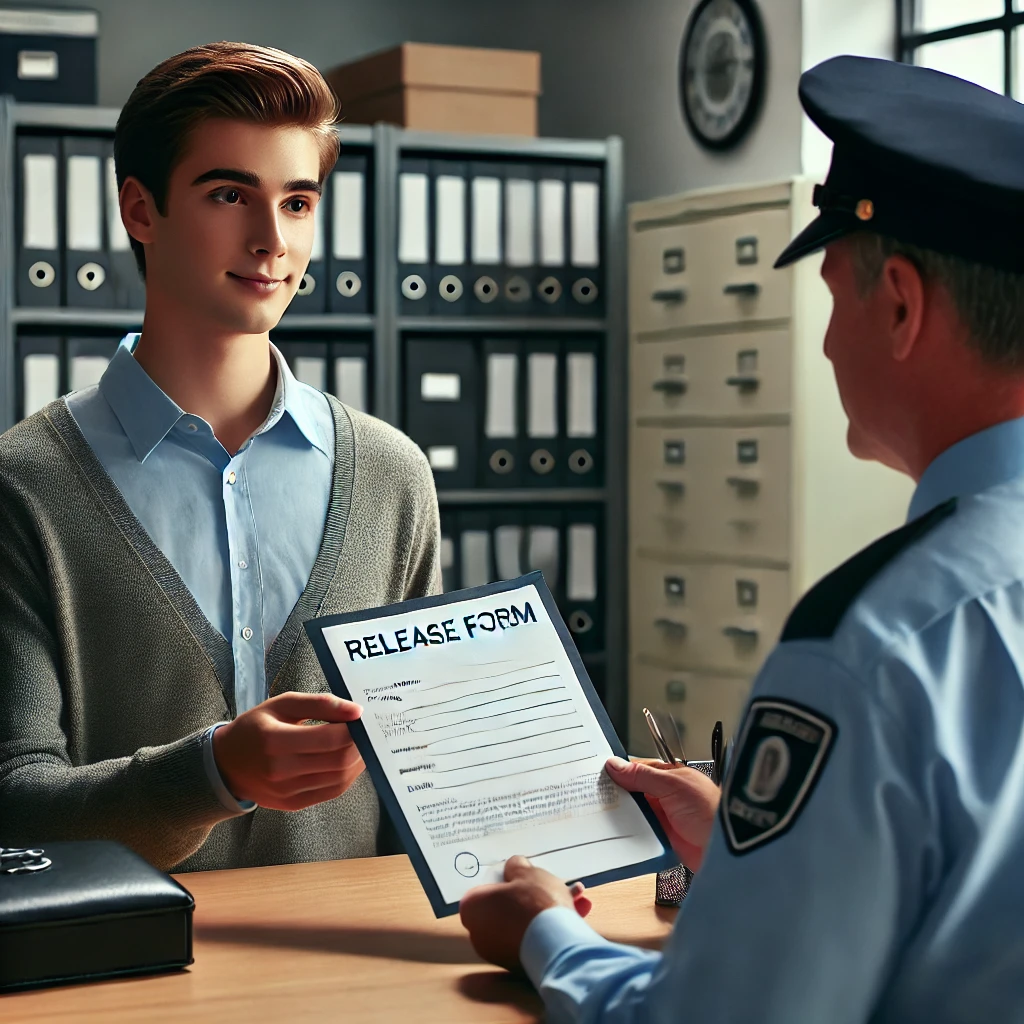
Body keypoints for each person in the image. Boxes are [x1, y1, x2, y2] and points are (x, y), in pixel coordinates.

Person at [460, 55, 1024, 1022]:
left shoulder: (872, 645)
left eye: (836, 293)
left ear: (899, 303)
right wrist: (757, 846)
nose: (826, 340)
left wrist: (549, 934)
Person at [0, 42, 440, 872]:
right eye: (229, 194)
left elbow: (425, 783)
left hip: (354, 990)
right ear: (141, 211)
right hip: (120, 987)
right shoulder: (23, 487)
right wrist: (213, 772)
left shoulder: (392, 476)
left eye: (299, 201)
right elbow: (12, 805)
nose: (271, 239)